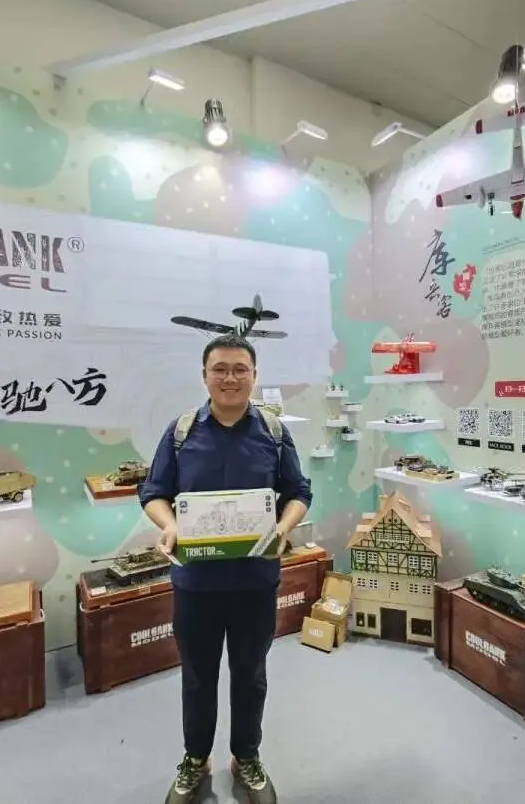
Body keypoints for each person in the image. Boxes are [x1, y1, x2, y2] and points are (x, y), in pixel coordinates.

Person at [139, 332, 312, 804]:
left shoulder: (273, 433)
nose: (230, 378)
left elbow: (298, 492)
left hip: (255, 581)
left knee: (250, 673)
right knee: (197, 675)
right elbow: (153, 492)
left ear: (254, 376)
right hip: (196, 583)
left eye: (240, 369)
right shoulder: (180, 433)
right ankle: (196, 758)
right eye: (220, 369)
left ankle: (246, 756)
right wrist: (170, 526)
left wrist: (284, 526)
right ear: (205, 376)